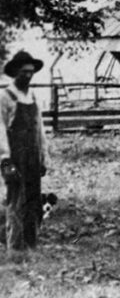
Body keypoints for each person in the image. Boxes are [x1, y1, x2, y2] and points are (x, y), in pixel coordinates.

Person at [1, 51, 49, 251]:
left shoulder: (32, 96)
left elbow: (40, 129)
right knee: (16, 199)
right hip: (15, 155)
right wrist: (5, 159)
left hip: (32, 156)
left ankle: (31, 243)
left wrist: (44, 156)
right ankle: (15, 246)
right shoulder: (5, 97)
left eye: (31, 72)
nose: (28, 76)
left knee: (33, 199)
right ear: (14, 72)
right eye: (23, 72)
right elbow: (0, 129)